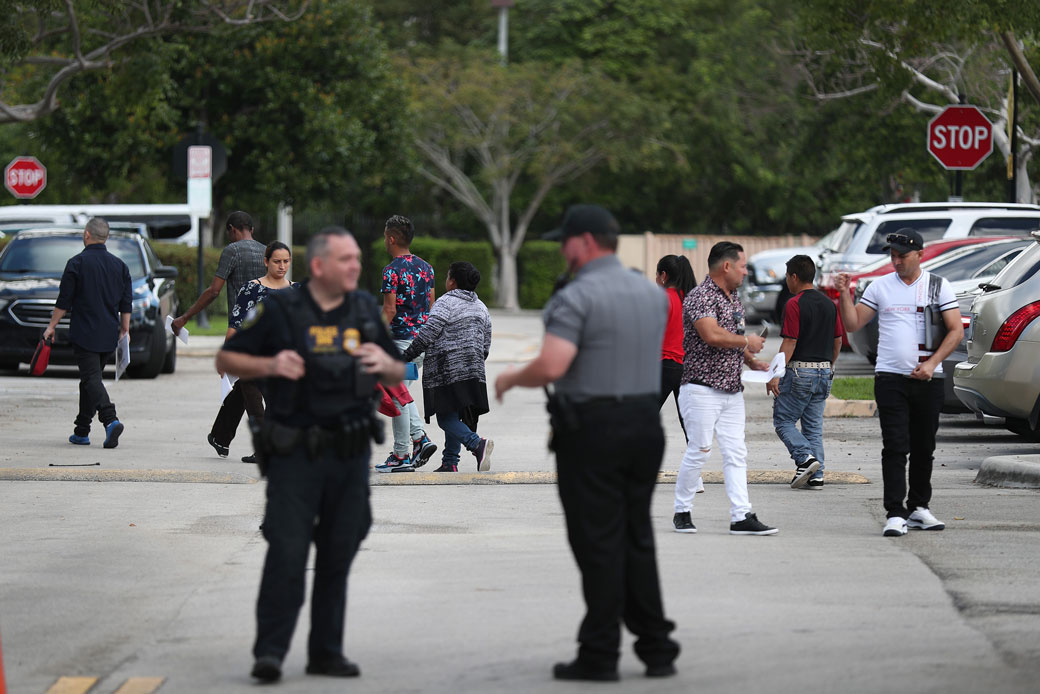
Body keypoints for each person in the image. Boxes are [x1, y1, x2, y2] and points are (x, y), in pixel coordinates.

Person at [496, 204, 680, 682]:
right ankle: (656, 646)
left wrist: (512, 376)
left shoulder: (575, 296)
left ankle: (599, 653)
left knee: (597, 541)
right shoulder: (651, 293)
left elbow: (553, 365)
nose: (561, 251)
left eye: (564, 242)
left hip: (594, 430)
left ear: (584, 242)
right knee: (635, 536)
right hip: (644, 425)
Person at [216, 226, 405, 683]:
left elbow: (398, 366)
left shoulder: (362, 308)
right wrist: (269, 365)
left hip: (349, 453)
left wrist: (387, 365)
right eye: (346, 259)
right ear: (319, 266)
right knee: (287, 549)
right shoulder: (283, 311)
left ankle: (326, 652)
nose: (356, 266)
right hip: (295, 453)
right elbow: (227, 360)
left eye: (357, 258)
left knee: (339, 552)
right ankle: (271, 652)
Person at [836, 228, 962, 537]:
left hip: (928, 379)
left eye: (902, 256)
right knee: (895, 445)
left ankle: (919, 507)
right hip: (890, 377)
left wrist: (932, 364)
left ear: (920, 254)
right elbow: (853, 323)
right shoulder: (881, 287)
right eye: (892, 256)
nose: (896, 261)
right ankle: (895, 512)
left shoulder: (938, 286)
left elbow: (955, 330)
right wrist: (843, 294)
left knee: (924, 446)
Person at [672, 241, 777, 536]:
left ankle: (741, 516)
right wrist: (747, 342)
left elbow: (730, 337)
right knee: (700, 451)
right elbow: (711, 335)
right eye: (742, 266)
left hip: (731, 389)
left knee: (736, 453)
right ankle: (682, 510)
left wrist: (750, 360)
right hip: (701, 388)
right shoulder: (700, 296)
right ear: (726, 266)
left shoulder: (733, 299)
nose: (745, 272)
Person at [170, 211, 266, 459]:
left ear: (232, 229)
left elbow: (214, 291)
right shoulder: (268, 252)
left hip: (243, 328)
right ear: (251, 229)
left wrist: (185, 317)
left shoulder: (232, 251)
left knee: (250, 384)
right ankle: (220, 437)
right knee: (245, 384)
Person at [43, 217, 131, 449]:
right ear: (107, 237)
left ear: (86, 234)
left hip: (84, 333)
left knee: (91, 379)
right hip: (108, 334)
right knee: (90, 381)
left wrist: (51, 326)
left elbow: (64, 301)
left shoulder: (77, 263)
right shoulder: (120, 266)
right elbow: (126, 303)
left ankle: (110, 420)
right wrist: (125, 329)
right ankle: (81, 430)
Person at [401, 261, 493, 472]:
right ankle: (450, 462)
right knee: (456, 415)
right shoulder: (481, 307)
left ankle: (476, 444)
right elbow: (486, 342)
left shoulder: (445, 302)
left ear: (452, 281)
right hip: (473, 370)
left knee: (445, 417)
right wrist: (474, 362)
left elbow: (428, 334)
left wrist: (406, 355)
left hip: (447, 369)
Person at [212, 241, 299, 464]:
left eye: (286, 261)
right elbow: (236, 324)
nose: (282, 266)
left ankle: (220, 436)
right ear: (266, 262)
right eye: (277, 261)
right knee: (255, 401)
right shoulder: (251, 289)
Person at [766, 254, 843, 490]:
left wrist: (775, 374)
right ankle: (816, 475)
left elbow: (790, 341)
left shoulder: (794, 303)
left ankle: (805, 458)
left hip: (800, 372)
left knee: (784, 421)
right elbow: (837, 339)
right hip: (824, 372)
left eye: (787, 277)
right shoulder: (829, 304)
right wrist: (828, 364)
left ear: (794, 277)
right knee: (812, 426)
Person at [376, 214, 437, 472]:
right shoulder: (427, 267)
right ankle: (416, 442)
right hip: (422, 341)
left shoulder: (391, 271)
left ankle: (404, 453)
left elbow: (389, 310)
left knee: (397, 397)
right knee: (402, 393)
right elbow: (433, 305)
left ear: (391, 239)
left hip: (399, 343)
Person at [655, 254, 704, 494]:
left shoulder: (662, 298)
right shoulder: (692, 300)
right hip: (689, 367)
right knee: (689, 424)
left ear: (663, 276)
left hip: (663, 365)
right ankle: (696, 478)